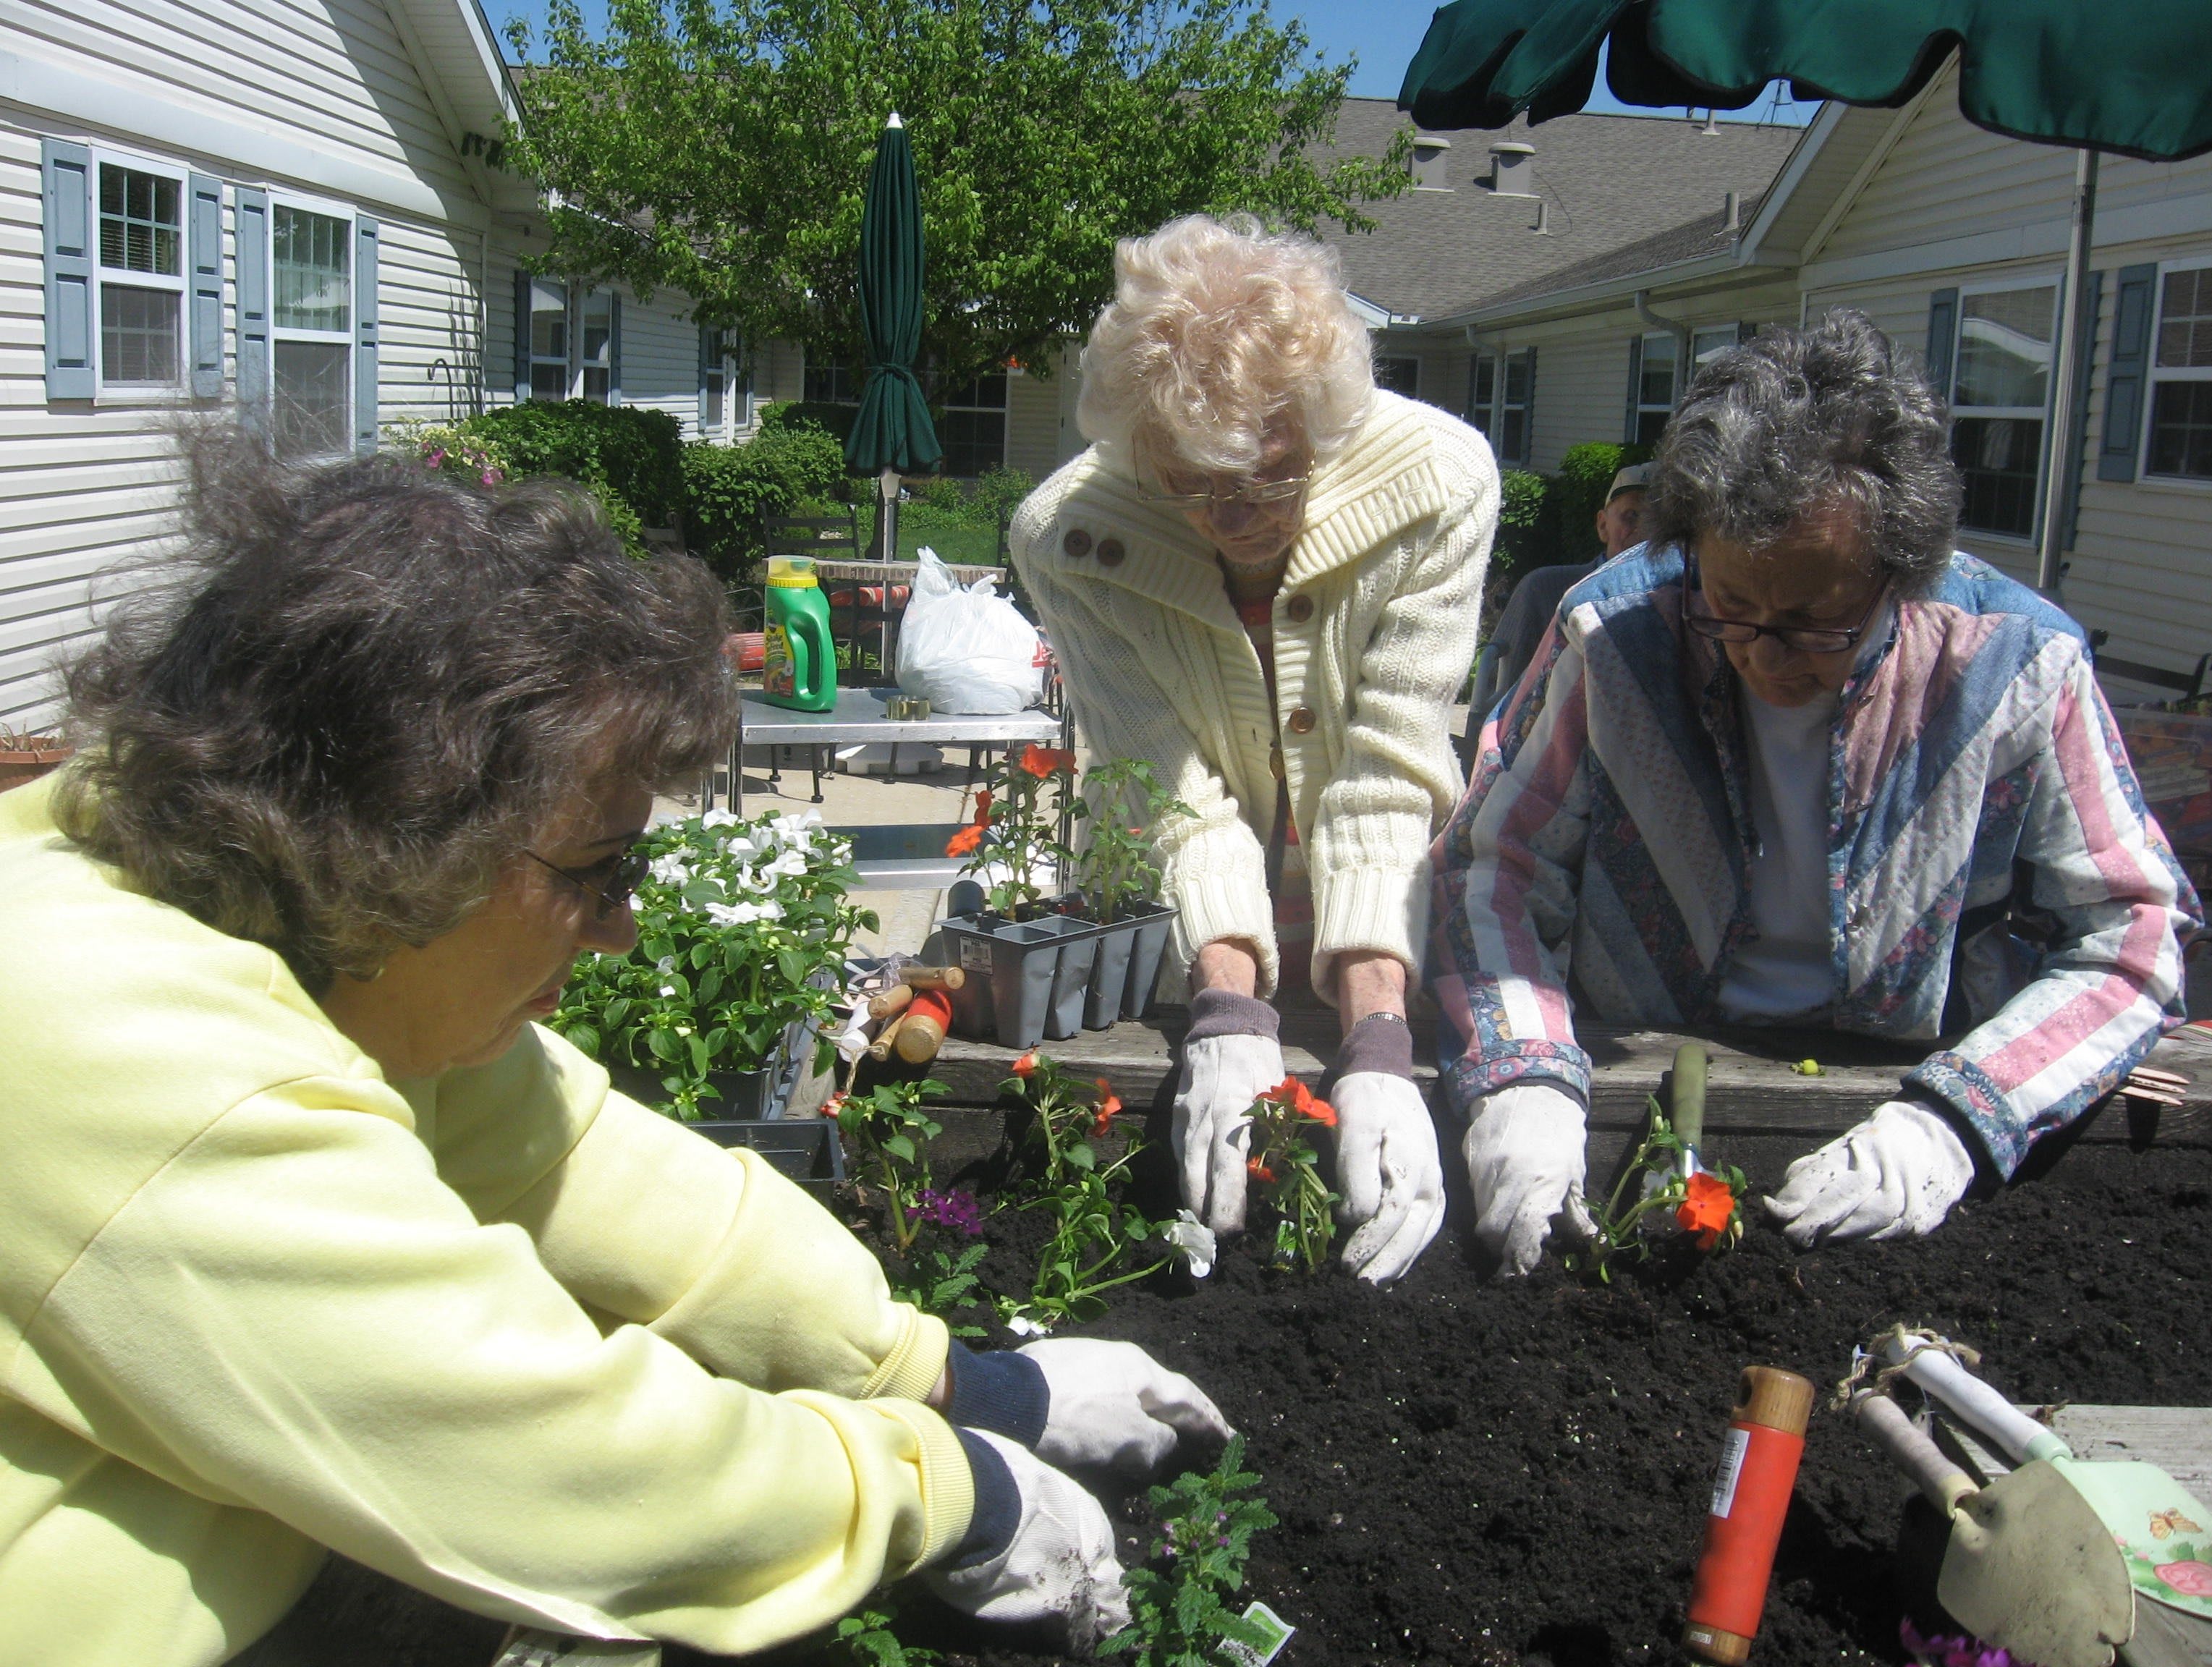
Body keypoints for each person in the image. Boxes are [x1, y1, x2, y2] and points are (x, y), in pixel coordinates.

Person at [0, 431, 1229, 1666]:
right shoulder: (149, 1062)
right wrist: (953, 1497)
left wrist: (956, 1379)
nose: (623, 926)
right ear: (392, 837)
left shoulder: (268, 896)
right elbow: (556, 1461)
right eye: (596, 869)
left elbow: (576, 1161)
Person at [1433, 312, 2196, 1275]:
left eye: (1812, 624)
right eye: (1730, 608)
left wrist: (1962, 1118)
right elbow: (1492, 866)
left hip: (1894, 1097)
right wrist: (1524, 1078)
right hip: (1643, 1078)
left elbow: (2131, 936)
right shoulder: (1614, 630)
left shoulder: (2015, 663)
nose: (1759, 652)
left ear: (1902, 576)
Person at [1010, 214, 1499, 1286]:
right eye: (1190, 482)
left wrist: (1379, 1039)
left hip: (1385, 911)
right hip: (1182, 914)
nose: (1233, 515)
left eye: (1270, 477)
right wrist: (1227, 1014)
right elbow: (1163, 789)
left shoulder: (1441, 484)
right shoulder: (1067, 537)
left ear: (1320, 420)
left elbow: (1387, 768)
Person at [1478, 462, 1651, 712]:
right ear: (1603, 526)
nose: (1646, 530)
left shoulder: (1693, 606)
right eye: (1632, 515)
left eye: (1662, 520)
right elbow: (1497, 693)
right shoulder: (1546, 589)